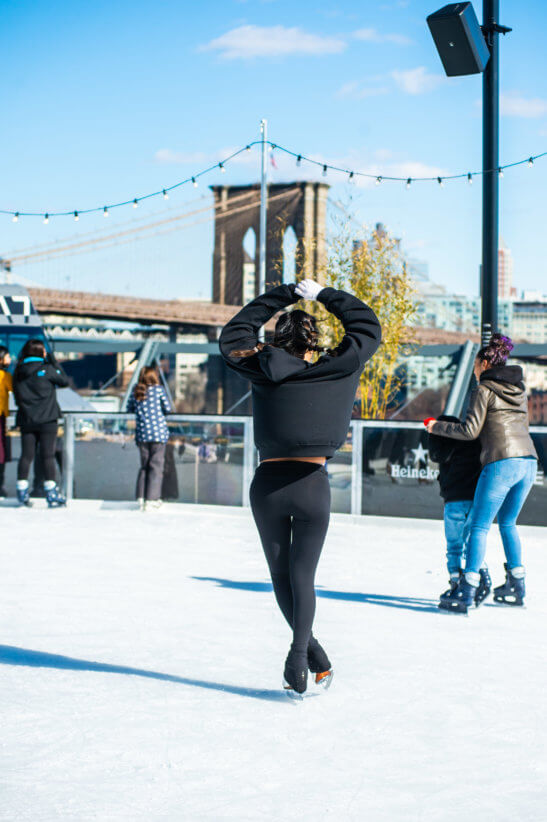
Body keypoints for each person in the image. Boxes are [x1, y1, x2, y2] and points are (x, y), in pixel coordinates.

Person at [219, 278, 381, 695]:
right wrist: (322, 294)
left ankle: (313, 655)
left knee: (280, 578)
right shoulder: (337, 367)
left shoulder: (260, 365)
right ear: (314, 344)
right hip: (311, 484)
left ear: (276, 341)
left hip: (267, 486)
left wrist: (283, 294)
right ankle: (299, 655)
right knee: (302, 576)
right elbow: (366, 328)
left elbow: (234, 335)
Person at [427, 334, 538, 614]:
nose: (475, 370)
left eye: (476, 365)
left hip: (502, 462)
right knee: (509, 524)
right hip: (528, 461)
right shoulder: (519, 390)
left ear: (484, 362)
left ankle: (467, 590)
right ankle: (516, 583)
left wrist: (435, 426)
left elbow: (469, 430)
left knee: (478, 527)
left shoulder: (484, 389)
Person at [427, 414, 491, 606]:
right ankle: (482, 575)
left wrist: (432, 432)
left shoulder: (444, 447)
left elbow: (435, 455)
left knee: (454, 547)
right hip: (475, 501)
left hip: (454, 501)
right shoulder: (474, 442)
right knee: (472, 544)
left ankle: (456, 583)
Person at [12, 339, 69, 508]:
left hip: (26, 419)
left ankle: (21, 490)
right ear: (40, 352)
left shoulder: (18, 371)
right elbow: (64, 381)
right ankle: (51, 492)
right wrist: (54, 361)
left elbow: (16, 395)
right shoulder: (47, 369)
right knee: (48, 456)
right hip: (47, 419)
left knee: (26, 455)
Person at [127, 366, 172, 511]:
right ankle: (152, 499)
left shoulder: (136, 390)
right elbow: (168, 408)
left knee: (144, 466)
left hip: (142, 435)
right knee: (156, 467)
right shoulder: (158, 390)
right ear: (154, 377)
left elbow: (129, 408)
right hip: (158, 434)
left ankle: (141, 497)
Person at [0, 345, 13, 498]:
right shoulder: (5, 376)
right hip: (0, 416)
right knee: (1, 452)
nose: (10, 359)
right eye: (8, 356)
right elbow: (16, 390)